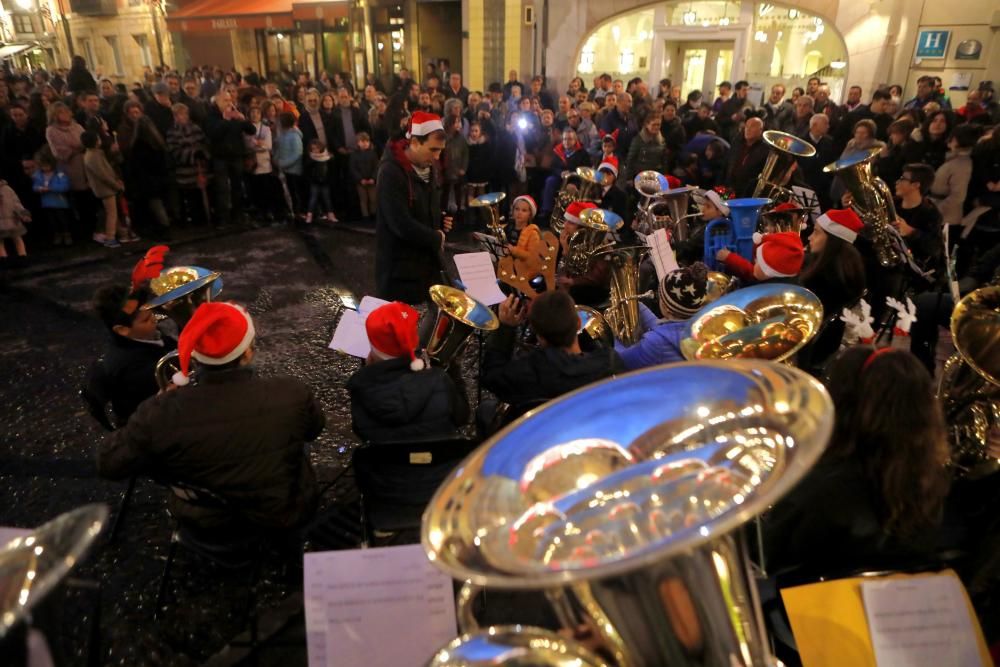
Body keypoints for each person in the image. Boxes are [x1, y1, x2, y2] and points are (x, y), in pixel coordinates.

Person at [97, 301, 325, 534]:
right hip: (283, 514)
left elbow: (108, 463)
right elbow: (313, 429)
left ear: (196, 355)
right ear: (247, 352)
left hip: (204, 523)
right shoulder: (292, 392)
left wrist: (157, 405)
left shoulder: (158, 413)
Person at [761, 346, 951, 575]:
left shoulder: (825, 487)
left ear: (844, 405)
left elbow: (766, 556)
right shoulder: (932, 481)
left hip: (810, 603)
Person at [481, 290, 624, 422]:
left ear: (538, 335)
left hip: (540, 442)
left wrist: (505, 328)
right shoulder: (609, 362)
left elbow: (492, 376)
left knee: (485, 409)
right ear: (579, 323)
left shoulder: (529, 372)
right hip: (594, 436)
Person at [346, 301, 469, 443]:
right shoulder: (440, 379)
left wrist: (368, 371)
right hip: (439, 460)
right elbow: (462, 417)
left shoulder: (360, 389)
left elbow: (361, 431)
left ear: (373, 351)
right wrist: (454, 371)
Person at [375, 111, 453, 304]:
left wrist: (440, 219)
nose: (437, 156)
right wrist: (435, 237)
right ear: (416, 142)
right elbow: (399, 223)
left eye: (440, 150)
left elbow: (424, 207)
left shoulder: (429, 168)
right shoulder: (390, 172)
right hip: (400, 273)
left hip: (426, 268)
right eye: (433, 149)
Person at [85, 279, 177, 426]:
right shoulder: (137, 369)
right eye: (146, 319)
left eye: (151, 311)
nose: (155, 319)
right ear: (122, 329)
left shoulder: (144, 337)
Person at [797, 208, 867, 369]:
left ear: (832, 240)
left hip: (811, 349)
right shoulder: (847, 264)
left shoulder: (826, 277)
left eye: (816, 232)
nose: (809, 237)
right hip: (827, 344)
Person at [613, 263, 710, 370]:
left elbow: (621, 360)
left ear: (666, 307)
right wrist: (636, 305)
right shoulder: (701, 328)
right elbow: (665, 329)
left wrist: (609, 335)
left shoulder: (655, 343)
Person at [204, 90, 255, 227]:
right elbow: (212, 133)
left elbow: (251, 130)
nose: (229, 103)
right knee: (222, 188)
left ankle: (238, 215)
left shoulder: (235, 114)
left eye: (230, 100)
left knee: (237, 186)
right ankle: (223, 218)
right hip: (220, 158)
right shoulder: (211, 116)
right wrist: (225, 120)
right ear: (217, 102)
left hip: (236, 156)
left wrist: (242, 119)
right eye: (225, 100)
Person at [165, 103, 211, 227]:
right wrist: (192, 153)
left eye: (184, 114)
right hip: (184, 170)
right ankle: (195, 221)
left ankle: (205, 219)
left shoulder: (195, 128)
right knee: (191, 197)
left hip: (198, 169)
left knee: (201, 194)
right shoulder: (172, 132)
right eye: (179, 114)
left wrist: (202, 152)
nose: (182, 117)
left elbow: (203, 142)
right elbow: (174, 150)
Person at [929, 124, 978, 232]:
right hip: (941, 213)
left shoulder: (962, 164)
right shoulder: (954, 160)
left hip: (947, 218)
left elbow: (958, 196)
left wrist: (935, 211)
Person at [81, 130, 127, 246]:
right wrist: (116, 185)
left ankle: (120, 233)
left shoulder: (94, 154)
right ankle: (110, 237)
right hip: (105, 189)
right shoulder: (93, 156)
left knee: (112, 212)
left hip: (106, 188)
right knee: (111, 213)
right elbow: (104, 175)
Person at [716, 230, 804, 284]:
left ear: (770, 272)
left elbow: (750, 273)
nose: (755, 264)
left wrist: (730, 258)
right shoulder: (779, 280)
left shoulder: (767, 288)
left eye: (759, 262)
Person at [32, 148, 73, 247]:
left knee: (63, 220)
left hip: (60, 202)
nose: (45, 168)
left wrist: (51, 188)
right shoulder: (38, 175)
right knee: (52, 221)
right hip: (47, 203)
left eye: (46, 165)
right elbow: (34, 186)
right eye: (42, 166)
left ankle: (67, 235)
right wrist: (39, 188)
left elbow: (65, 186)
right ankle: (57, 235)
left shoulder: (59, 174)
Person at [726, 117, 769, 197]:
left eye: (752, 126)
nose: (748, 129)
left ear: (761, 131)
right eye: (746, 126)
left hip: (747, 193)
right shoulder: (737, 142)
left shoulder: (765, 150)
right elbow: (727, 163)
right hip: (728, 188)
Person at [623, 109, 667, 184]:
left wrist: (663, 175)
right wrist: (629, 178)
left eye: (658, 124)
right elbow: (630, 160)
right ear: (647, 125)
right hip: (641, 176)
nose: (656, 127)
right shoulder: (638, 140)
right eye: (654, 125)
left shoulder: (661, 140)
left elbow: (664, 160)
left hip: (656, 177)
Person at [274, 111, 304, 217]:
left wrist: (282, 163)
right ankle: (292, 211)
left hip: (294, 170)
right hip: (286, 169)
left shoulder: (294, 136)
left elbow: (297, 154)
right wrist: (276, 159)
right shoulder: (282, 136)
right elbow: (279, 150)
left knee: (295, 192)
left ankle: (298, 212)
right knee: (289, 192)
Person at [0, 178, 31, 265]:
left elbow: (16, 203)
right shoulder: (7, 189)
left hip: (12, 219)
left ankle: (22, 256)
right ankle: (3, 258)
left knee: (17, 237)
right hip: (6, 220)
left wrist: (23, 214)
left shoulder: (6, 189)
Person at [349, 131, 379, 221]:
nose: (365, 143)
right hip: (360, 181)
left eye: (366, 141)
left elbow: (376, 167)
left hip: (371, 181)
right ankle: (365, 216)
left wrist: (373, 178)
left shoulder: (373, 153)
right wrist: (360, 179)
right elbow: (353, 168)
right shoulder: (354, 155)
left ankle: (374, 213)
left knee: (373, 199)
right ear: (358, 143)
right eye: (362, 141)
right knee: (363, 199)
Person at [304, 139, 335, 224]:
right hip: (315, 182)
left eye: (317, 148)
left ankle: (331, 215)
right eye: (313, 149)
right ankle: (309, 215)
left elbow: (331, 170)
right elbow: (307, 170)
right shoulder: (310, 158)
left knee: (327, 199)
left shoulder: (328, 157)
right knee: (313, 199)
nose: (315, 150)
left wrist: (329, 179)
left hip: (325, 181)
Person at [505, 194, 542, 261]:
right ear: (513, 211)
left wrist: (514, 250)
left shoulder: (533, 233)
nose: (519, 213)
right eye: (517, 209)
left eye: (524, 210)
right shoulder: (508, 227)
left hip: (523, 268)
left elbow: (532, 257)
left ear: (530, 214)